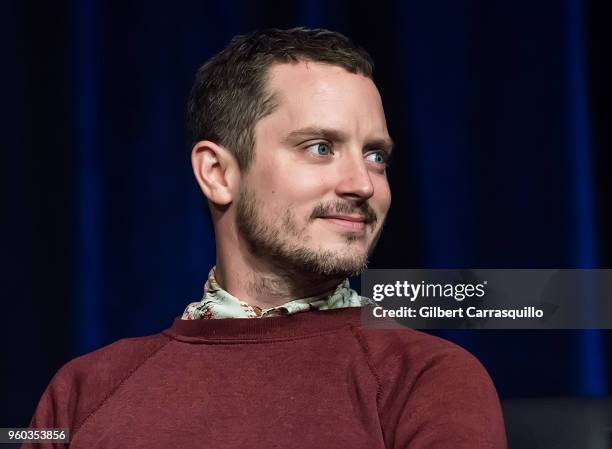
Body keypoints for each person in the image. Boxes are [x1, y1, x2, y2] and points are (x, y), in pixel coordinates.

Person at [25, 28, 506, 448]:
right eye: (321, 148)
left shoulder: (428, 379)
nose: (363, 184)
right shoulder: (82, 391)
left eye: (376, 156)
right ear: (217, 173)